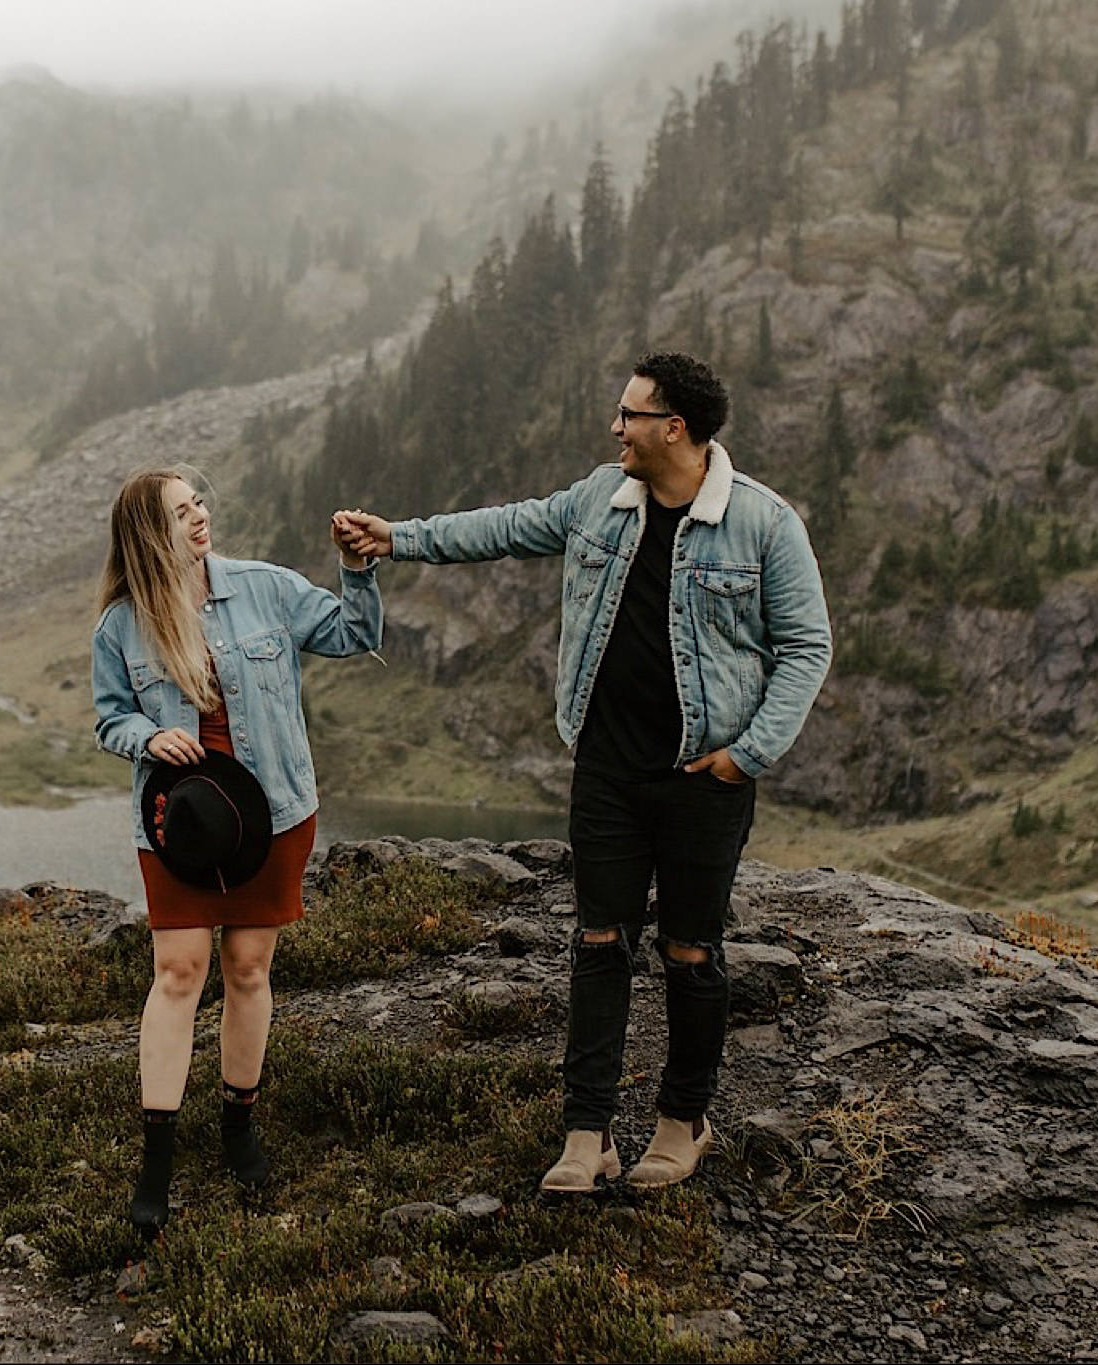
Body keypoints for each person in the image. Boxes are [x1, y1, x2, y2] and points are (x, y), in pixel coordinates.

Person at [334, 352, 831, 1196]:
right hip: (606, 767)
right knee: (599, 944)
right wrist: (398, 537)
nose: (615, 428)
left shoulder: (764, 524)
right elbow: (504, 526)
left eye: (630, 415)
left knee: (689, 950)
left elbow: (806, 647)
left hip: (702, 779)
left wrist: (746, 754)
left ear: (673, 427)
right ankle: (588, 1131)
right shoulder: (601, 497)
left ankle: (684, 1121)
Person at [92, 468, 382, 1236]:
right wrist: (147, 734)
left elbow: (356, 634)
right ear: (150, 533)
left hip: (274, 813)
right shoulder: (121, 625)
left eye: (200, 504)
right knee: (177, 970)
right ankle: (157, 1159)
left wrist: (357, 569)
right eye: (182, 513)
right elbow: (109, 717)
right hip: (178, 822)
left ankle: (237, 1125)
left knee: (249, 968)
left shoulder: (265, 588)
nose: (201, 518)